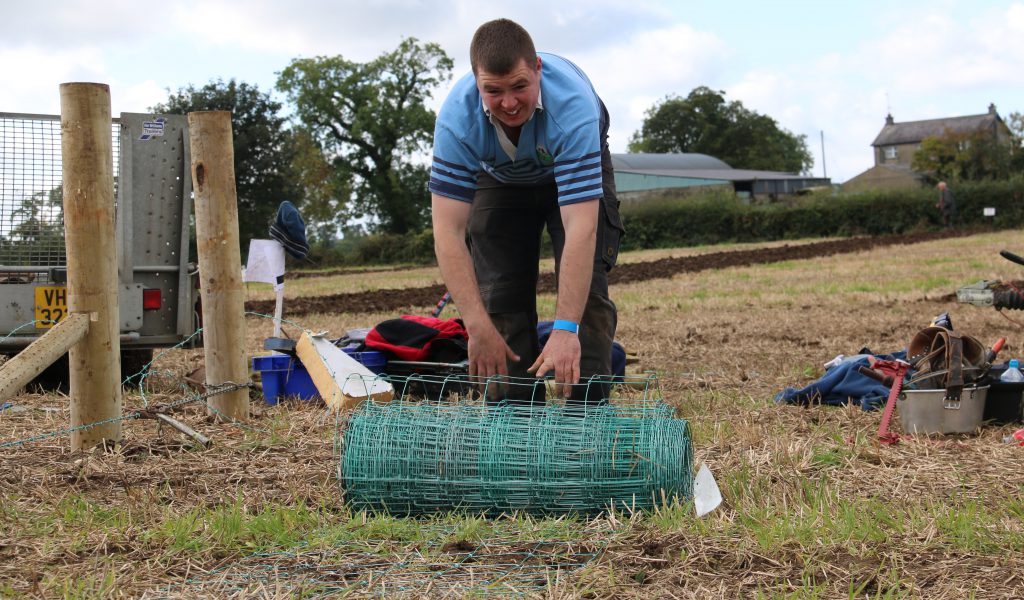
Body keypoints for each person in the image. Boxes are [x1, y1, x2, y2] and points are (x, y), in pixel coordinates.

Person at [429, 18, 623, 405]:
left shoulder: (573, 110)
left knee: (586, 299)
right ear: (476, 82)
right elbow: (447, 233)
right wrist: (476, 326)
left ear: (537, 68)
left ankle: (587, 417)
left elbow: (581, 229)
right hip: (497, 175)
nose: (509, 103)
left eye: (519, 86)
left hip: (568, 165)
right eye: (493, 91)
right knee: (499, 298)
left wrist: (565, 328)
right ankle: (515, 419)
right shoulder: (456, 123)